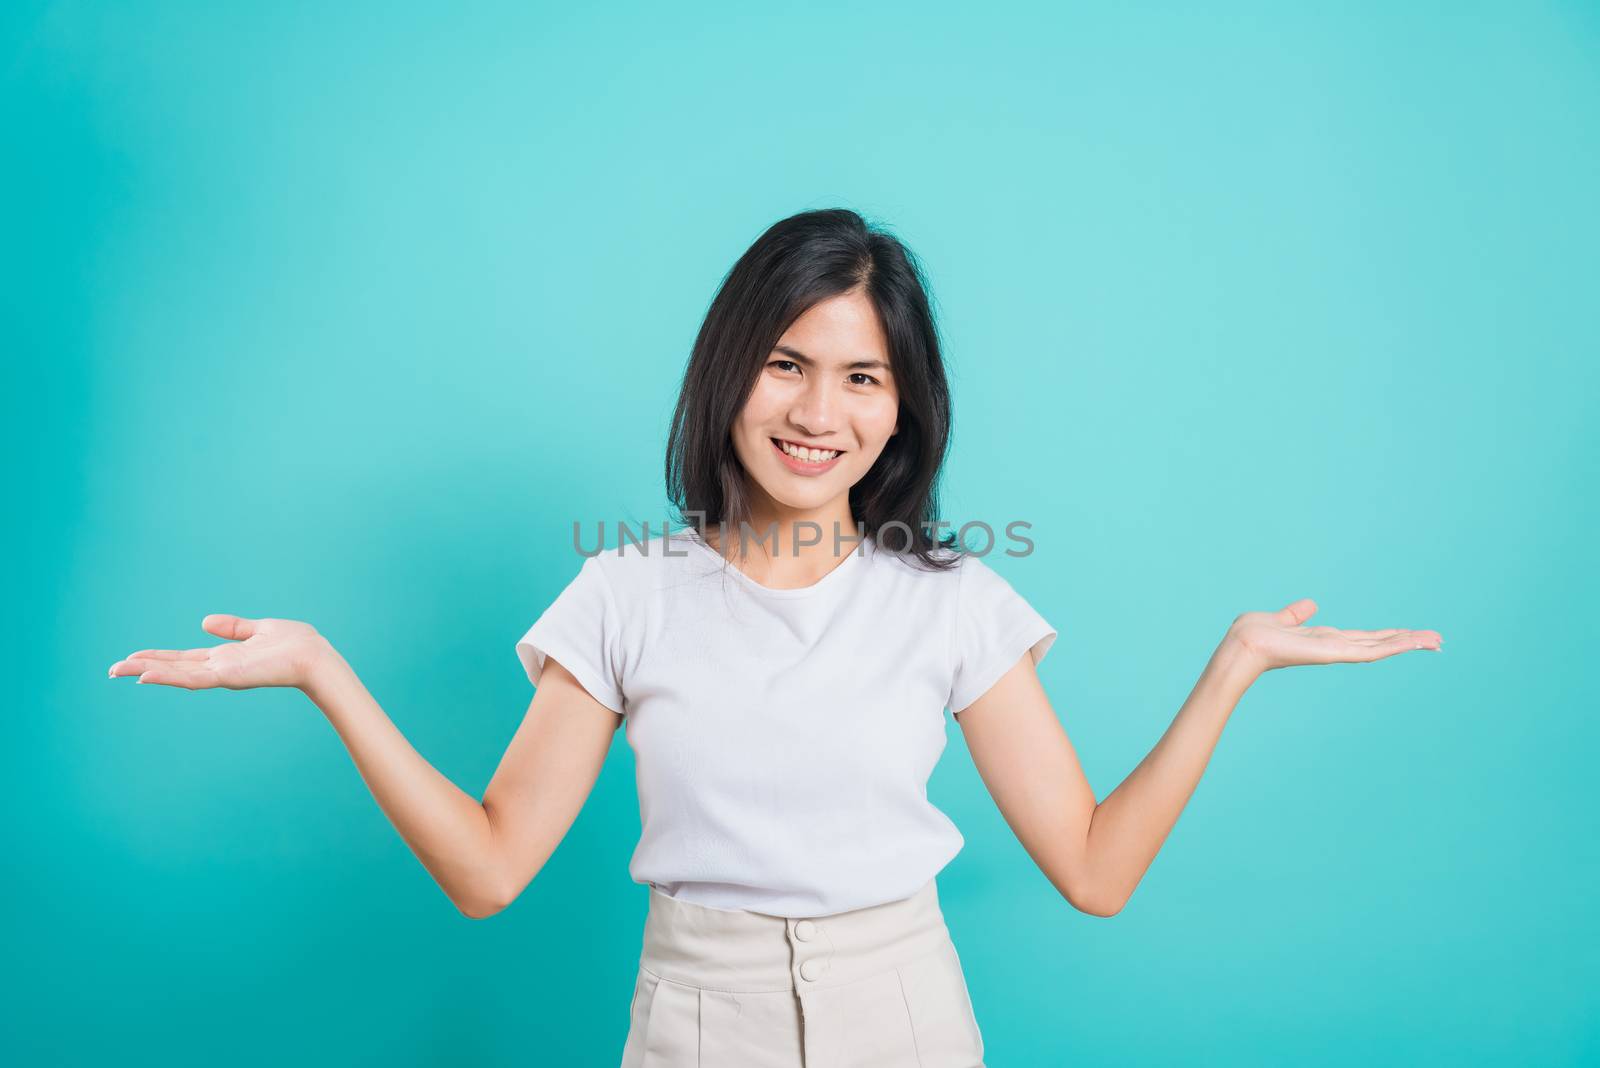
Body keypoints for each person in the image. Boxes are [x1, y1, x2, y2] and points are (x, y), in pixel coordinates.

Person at [107, 208, 1443, 1067]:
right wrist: (325, 675)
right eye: (788, 362)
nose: (821, 410)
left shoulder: (954, 603)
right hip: (692, 1024)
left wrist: (1233, 670)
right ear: (729, 371)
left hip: (910, 1020)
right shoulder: (624, 596)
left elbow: (1096, 868)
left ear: (903, 409)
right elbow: (489, 870)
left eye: (864, 376)